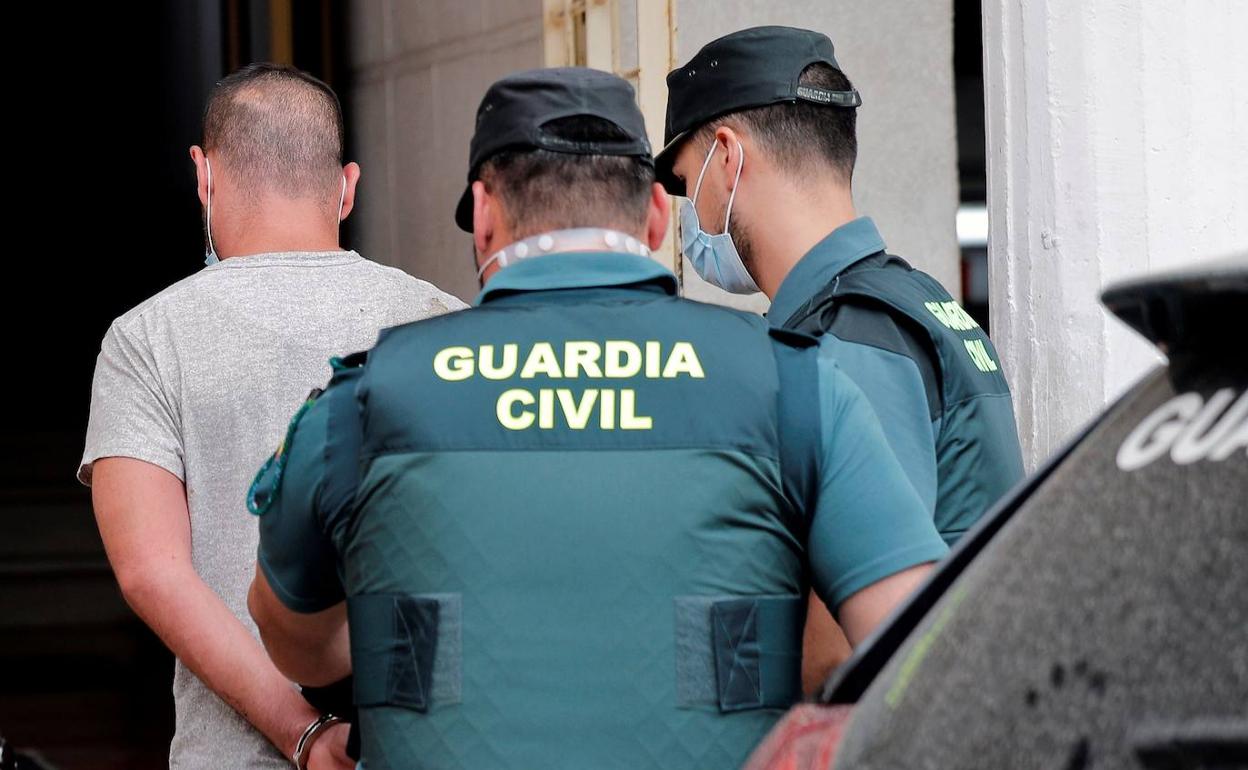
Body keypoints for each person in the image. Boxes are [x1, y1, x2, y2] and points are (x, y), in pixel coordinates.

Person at [245, 66, 948, 770]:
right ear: (654, 216)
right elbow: (924, 652)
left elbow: (296, 640)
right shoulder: (795, 385)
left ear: (485, 214)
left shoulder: (362, 405)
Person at [78, 63, 465, 769]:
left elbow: (151, 571)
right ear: (347, 187)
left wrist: (304, 734)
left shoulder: (147, 338)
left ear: (204, 176)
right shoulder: (443, 324)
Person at [656, 26, 1026, 685]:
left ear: (728, 157)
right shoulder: (913, 299)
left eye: (687, 183)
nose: (691, 219)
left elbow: (844, 650)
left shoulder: (844, 339)